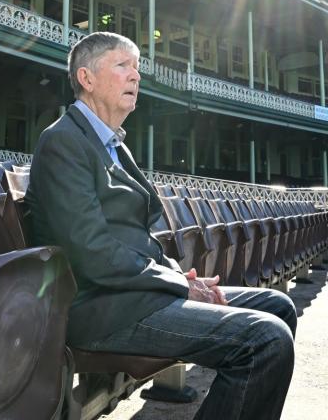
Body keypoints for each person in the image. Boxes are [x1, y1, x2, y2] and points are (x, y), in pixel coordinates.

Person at [25, 32, 296, 420]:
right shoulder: (63, 142)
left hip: (137, 294)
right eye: (122, 65)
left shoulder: (114, 145)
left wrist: (182, 278)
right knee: (266, 339)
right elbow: (93, 252)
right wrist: (181, 284)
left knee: (278, 306)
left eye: (137, 67)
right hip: (102, 308)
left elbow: (139, 240)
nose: (135, 76)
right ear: (86, 78)